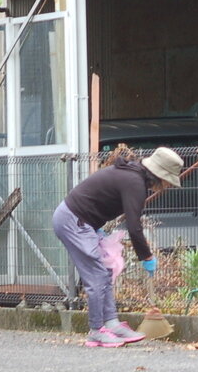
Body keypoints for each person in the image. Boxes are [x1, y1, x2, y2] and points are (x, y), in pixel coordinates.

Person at [52, 147, 184, 347]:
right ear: (159, 175)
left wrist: (96, 228)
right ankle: (96, 331)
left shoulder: (132, 176)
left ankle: (112, 324)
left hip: (82, 221)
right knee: (97, 275)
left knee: (104, 272)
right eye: (168, 181)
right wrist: (147, 256)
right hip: (73, 221)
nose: (167, 186)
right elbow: (134, 226)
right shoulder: (134, 183)